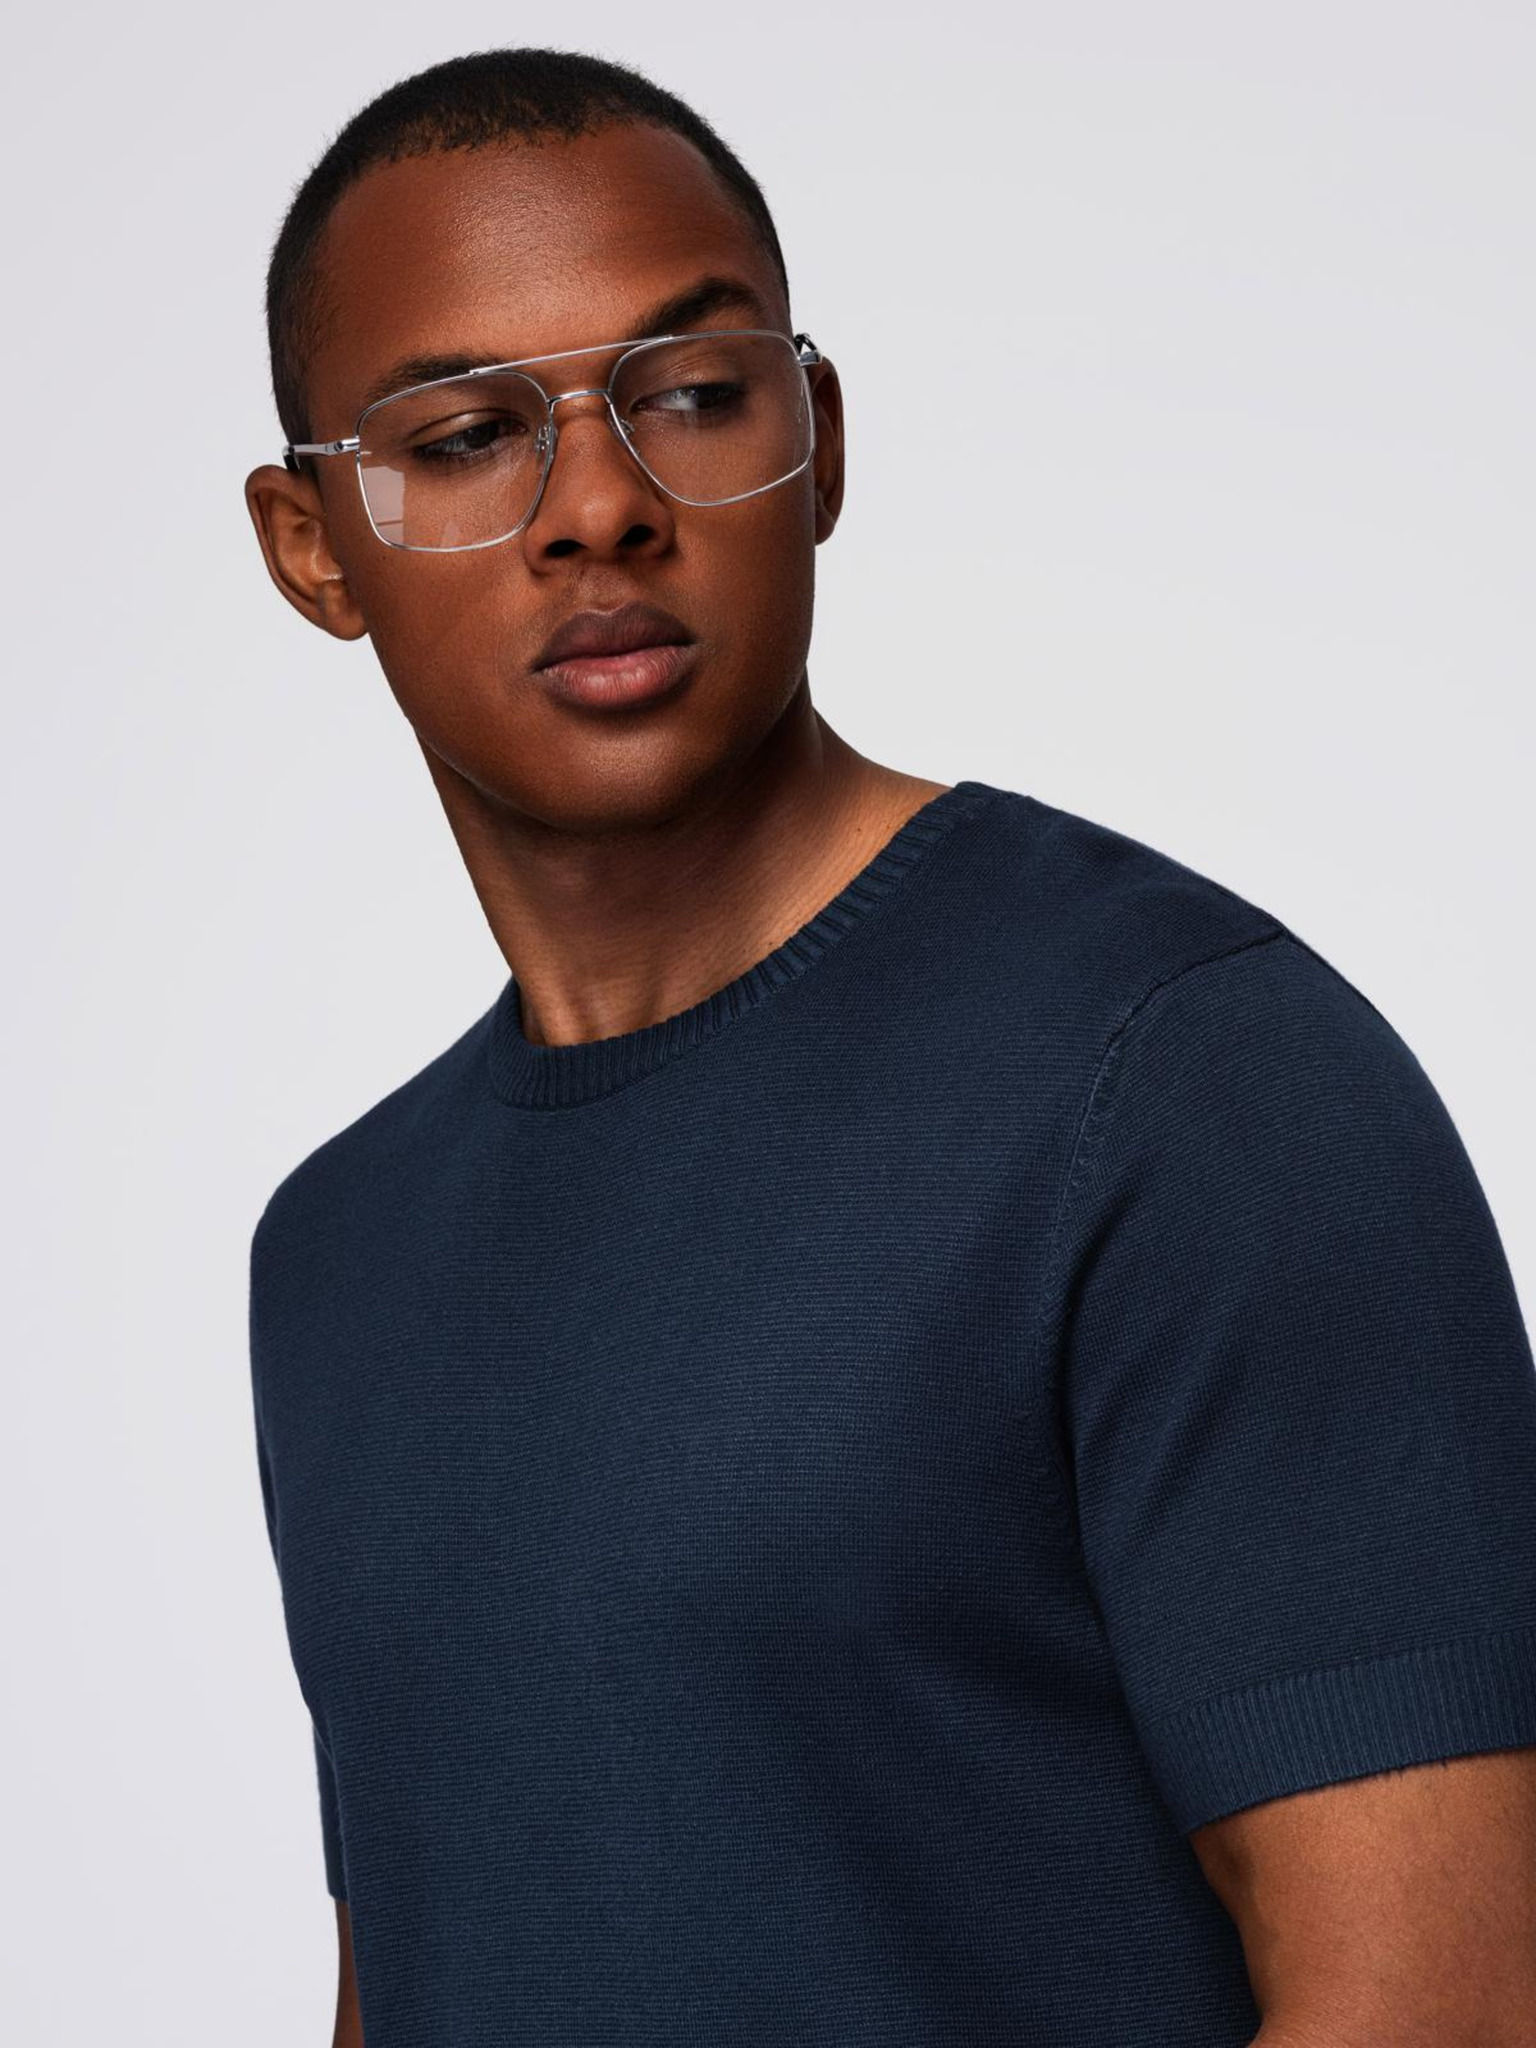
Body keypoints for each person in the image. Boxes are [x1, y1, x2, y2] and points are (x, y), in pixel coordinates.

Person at [242, 46, 1536, 2048]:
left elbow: (1447, 2002)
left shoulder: (1185, 1080)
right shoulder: (339, 1253)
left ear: (817, 441)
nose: (601, 506)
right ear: (312, 545)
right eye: (469, 434)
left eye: (691, 394)